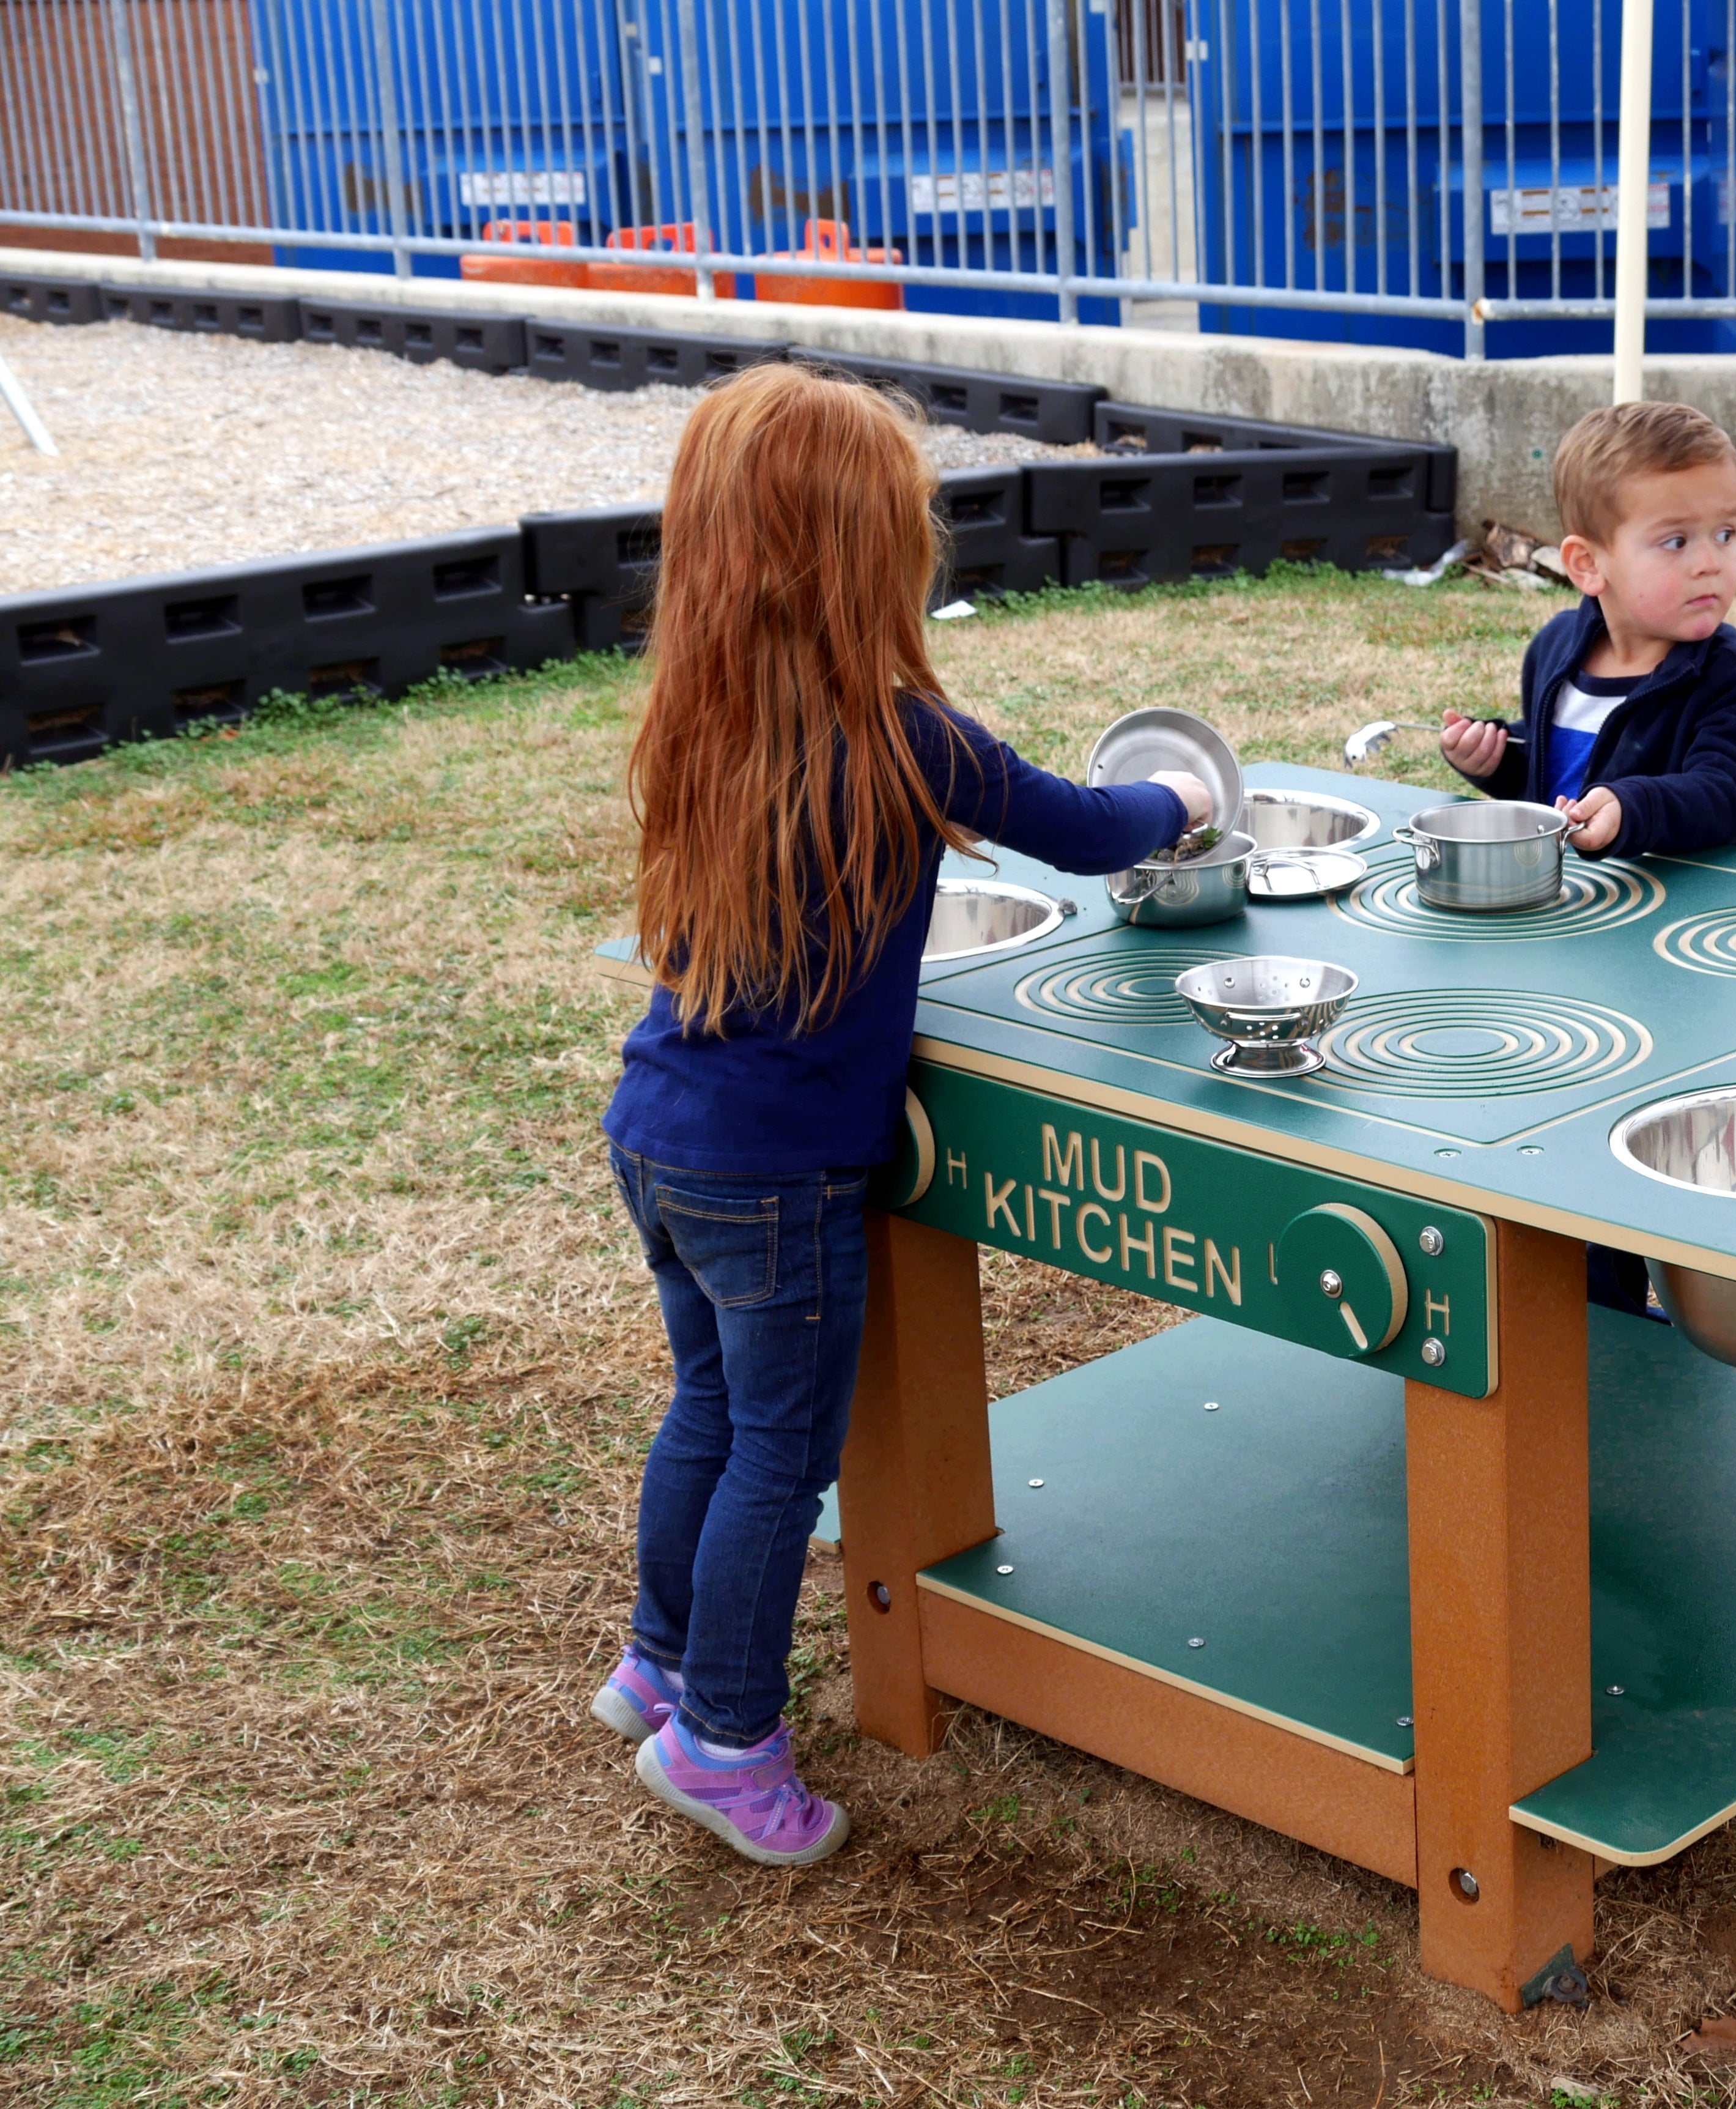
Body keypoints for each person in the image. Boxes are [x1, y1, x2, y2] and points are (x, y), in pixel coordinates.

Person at [593, 361, 1207, 1868]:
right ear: (869, 558)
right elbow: (1083, 826)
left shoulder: (698, 712)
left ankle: (656, 1659)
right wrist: (1184, 801)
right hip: (780, 1176)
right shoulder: (907, 734)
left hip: (661, 1130)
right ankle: (727, 1739)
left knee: (710, 1407)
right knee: (779, 1455)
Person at [1438, 400, 1736, 1316]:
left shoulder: (1735, 680)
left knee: (1658, 1142)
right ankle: (1578, 1308)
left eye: (1726, 533)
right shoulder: (1557, 648)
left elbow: (1725, 795)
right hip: (1563, 958)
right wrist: (1501, 764)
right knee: (1560, 1134)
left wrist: (1632, 808)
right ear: (1587, 564)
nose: (1713, 560)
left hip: (1674, 967)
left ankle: (1663, 1303)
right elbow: (1556, 786)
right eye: (1675, 541)